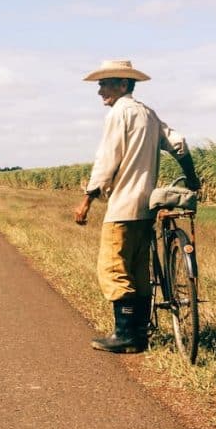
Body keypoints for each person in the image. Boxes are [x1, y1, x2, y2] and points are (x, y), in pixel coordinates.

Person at [73, 59, 200, 353]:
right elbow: (179, 144)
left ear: (122, 84)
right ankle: (139, 333)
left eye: (104, 84)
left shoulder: (119, 114)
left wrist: (87, 199)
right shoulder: (147, 113)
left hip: (122, 206)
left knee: (114, 268)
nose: (100, 91)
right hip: (147, 207)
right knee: (139, 270)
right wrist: (192, 179)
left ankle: (126, 334)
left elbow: (107, 160)